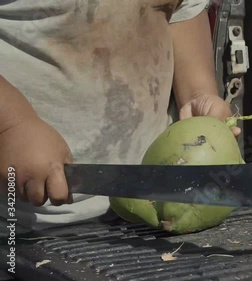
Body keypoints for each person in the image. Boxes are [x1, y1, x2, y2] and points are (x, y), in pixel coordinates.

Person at [0, 0, 239, 234]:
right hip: (28, 226)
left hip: (151, 216)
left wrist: (198, 94)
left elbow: (180, 11)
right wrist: (12, 125)